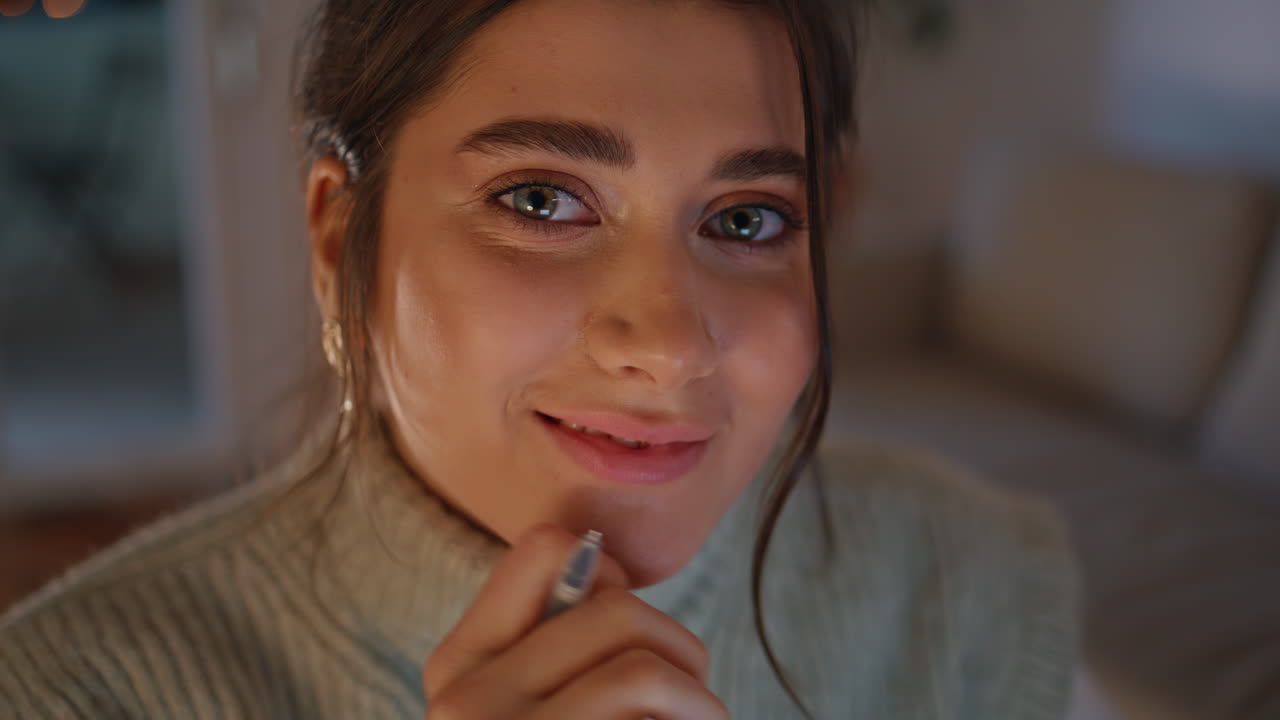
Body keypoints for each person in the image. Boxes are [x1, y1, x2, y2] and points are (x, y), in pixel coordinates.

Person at [0, 0, 1102, 717]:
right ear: (341, 242)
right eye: (540, 200)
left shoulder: (969, 587)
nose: (667, 343)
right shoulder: (68, 694)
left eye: (749, 219)